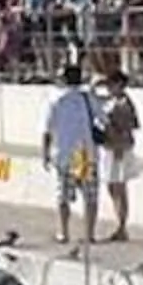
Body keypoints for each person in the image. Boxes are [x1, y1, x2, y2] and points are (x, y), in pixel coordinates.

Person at [42, 62, 99, 246]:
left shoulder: (54, 99)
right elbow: (101, 119)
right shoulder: (87, 97)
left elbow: (47, 129)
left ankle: (64, 232)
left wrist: (45, 153)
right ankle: (89, 234)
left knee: (63, 195)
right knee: (90, 195)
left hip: (65, 153)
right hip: (86, 152)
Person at [87, 63, 142, 244]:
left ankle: (122, 226)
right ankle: (120, 224)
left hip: (119, 148)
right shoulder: (110, 101)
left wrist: (119, 146)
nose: (109, 87)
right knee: (112, 187)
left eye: (112, 84)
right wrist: (96, 84)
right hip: (109, 147)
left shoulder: (123, 103)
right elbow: (92, 98)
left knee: (119, 187)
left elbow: (128, 127)